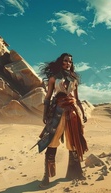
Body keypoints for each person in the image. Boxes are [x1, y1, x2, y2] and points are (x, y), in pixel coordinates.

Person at [38, 53, 88, 188]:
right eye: (66, 61)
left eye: (70, 62)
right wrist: (44, 113)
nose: (68, 64)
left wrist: (82, 112)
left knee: (73, 143)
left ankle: (75, 173)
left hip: (72, 113)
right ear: (61, 62)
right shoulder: (53, 79)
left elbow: (77, 98)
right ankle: (46, 177)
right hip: (58, 111)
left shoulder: (74, 79)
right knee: (52, 142)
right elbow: (48, 97)